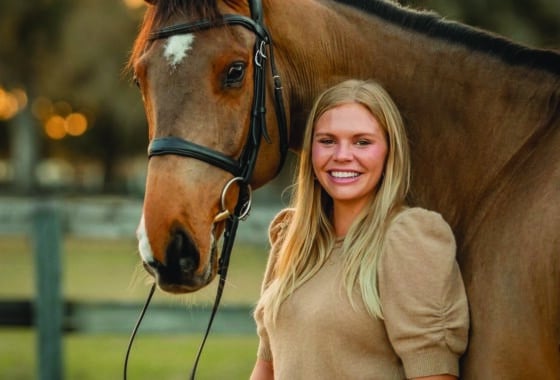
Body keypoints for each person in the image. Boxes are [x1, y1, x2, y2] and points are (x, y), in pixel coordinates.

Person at [250, 79, 469, 380]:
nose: (342, 155)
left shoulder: (407, 238)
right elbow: (267, 368)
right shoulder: (293, 239)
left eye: (362, 142)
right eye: (327, 140)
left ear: (389, 151)